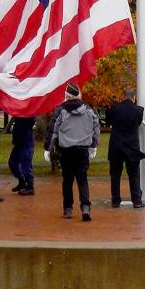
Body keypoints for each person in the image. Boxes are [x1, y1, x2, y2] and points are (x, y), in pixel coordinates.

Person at [49, 83, 99, 221]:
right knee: (82, 179)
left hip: (66, 150)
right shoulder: (88, 109)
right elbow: (96, 126)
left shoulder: (61, 110)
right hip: (82, 149)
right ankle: (85, 206)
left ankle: (68, 208)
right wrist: (94, 144)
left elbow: (54, 129)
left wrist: (49, 147)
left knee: (67, 180)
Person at [108, 88, 145, 208]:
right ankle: (136, 200)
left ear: (123, 96)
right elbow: (138, 123)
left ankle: (115, 200)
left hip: (116, 145)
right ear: (134, 97)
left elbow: (108, 120)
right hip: (132, 146)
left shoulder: (115, 109)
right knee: (133, 174)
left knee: (115, 174)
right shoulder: (139, 111)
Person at [8, 116, 36, 195]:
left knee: (26, 166)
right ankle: (22, 182)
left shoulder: (29, 114)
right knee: (12, 163)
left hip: (26, 143)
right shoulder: (18, 113)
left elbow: (31, 122)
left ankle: (30, 187)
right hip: (18, 143)